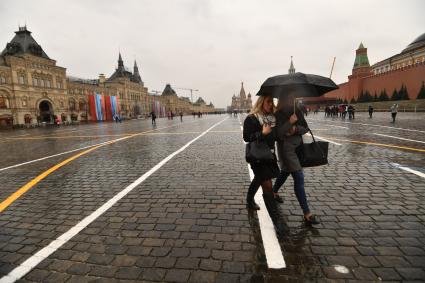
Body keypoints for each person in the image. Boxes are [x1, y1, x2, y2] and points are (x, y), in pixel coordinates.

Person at [272, 94, 319, 225]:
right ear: (283, 98)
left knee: (285, 172)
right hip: (286, 150)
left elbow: (305, 128)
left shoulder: (297, 111)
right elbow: (278, 134)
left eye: (293, 97)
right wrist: (289, 123)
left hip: (298, 147)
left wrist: (295, 129)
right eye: (289, 97)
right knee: (299, 177)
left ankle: (273, 192)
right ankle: (307, 213)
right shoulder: (278, 114)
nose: (291, 99)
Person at [243, 95, 283, 234]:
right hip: (257, 156)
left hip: (269, 155)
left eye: (272, 101)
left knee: (259, 178)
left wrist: (288, 124)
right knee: (267, 185)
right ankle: (277, 221)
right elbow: (247, 137)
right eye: (268, 101)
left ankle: (249, 200)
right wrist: (262, 133)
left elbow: (276, 136)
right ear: (261, 102)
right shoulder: (252, 118)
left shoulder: (272, 119)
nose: (271, 104)